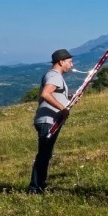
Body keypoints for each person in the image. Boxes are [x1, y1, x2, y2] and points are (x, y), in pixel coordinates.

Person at [28, 49, 74, 194]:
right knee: (43, 155)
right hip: (48, 120)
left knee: (46, 154)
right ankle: (35, 188)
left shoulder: (55, 76)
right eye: (69, 62)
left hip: (51, 120)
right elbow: (46, 94)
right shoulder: (54, 76)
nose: (71, 65)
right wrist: (63, 108)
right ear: (61, 62)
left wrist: (69, 99)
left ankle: (39, 186)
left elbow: (55, 95)